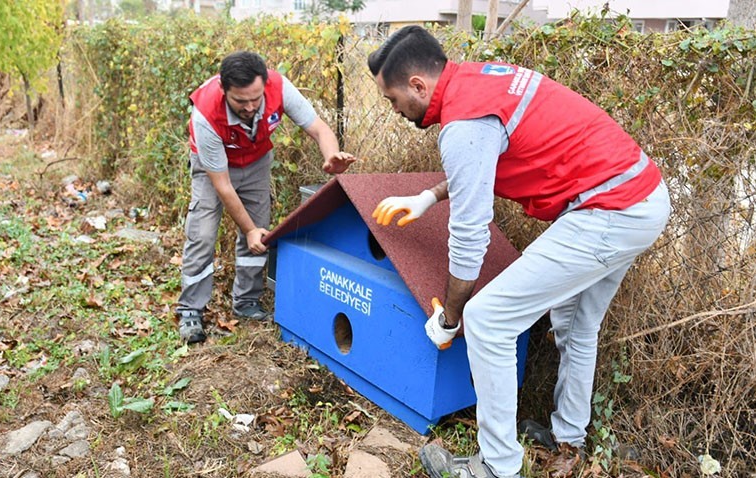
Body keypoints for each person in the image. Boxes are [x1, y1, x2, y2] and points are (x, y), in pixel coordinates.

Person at [368, 26, 670, 478]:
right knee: (576, 322)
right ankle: (569, 435)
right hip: (639, 195)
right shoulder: (478, 82)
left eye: (393, 100)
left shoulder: (464, 124)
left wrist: (450, 319)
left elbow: (469, 237)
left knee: (488, 317)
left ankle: (496, 467)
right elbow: (484, 163)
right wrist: (429, 196)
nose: (394, 111)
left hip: (611, 209)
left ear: (418, 85)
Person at [178, 51, 356, 343]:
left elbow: (318, 128)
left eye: (255, 99)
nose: (249, 107)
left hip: (256, 161)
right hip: (213, 169)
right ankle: (190, 310)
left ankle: (246, 301)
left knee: (260, 232)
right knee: (202, 234)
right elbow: (222, 186)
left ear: (264, 85)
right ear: (224, 91)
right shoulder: (206, 113)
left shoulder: (279, 86)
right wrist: (246, 229)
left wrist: (331, 155)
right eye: (240, 101)